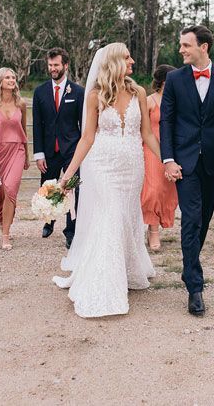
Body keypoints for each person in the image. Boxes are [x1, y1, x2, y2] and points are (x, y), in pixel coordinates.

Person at [52, 43, 161, 318]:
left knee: (126, 216)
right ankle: (105, 285)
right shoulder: (95, 96)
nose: (132, 61)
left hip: (133, 167)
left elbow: (147, 135)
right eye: (127, 57)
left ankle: (125, 269)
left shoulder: (138, 92)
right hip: (102, 167)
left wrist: (167, 160)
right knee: (110, 216)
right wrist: (68, 175)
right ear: (114, 61)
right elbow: (87, 138)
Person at [160, 25, 214, 316]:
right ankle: (195, 286)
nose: (181, 50)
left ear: (203, 47)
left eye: (186, 45)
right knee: (191, 218)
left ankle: (188, 265)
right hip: (185, 162)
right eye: (181, 45)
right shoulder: (175, 79)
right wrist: (168, 158)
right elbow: (166, 121)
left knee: (204, 217)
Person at [32, 48, 84, 249]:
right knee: (48, 188)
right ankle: (49, 221)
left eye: (56, 65)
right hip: (48, 151)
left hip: (71, 151)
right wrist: (39, 154)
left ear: (65, 65)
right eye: (50, 65)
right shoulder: (40, 92)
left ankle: (70, 231)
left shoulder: (78, 92)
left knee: (72, 190)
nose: (52, 69)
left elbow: (82, 125)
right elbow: (37, 124)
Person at [0, 67, 29, 250]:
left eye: (13, 77)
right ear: (0, 81)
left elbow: (24, 130)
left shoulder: (21, 103)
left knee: (10, 189)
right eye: (7, 77)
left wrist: (26, 154)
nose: (12, 80)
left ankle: (6, 235)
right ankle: (4, 222)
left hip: (17, 149)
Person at [140, 64, 178, 251]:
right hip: (152, 149)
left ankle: (160, 221)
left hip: (173, 150)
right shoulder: (149, 101)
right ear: (164, 81)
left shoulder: (179, 100)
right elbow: (142, 129)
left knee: (168, 190)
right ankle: (152, 230)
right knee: (153, 190)